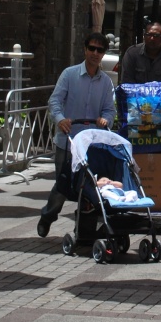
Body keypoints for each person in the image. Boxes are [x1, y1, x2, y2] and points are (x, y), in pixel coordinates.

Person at [37, 33, 116, 238]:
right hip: (68, 141)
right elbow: (55, 101)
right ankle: (48, 216)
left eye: (100, 50)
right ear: (85, 49)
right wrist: (61, 119)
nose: (95, 53)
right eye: (92, 48)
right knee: (63, 185)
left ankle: (83, 228)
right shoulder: (69, 75)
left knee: (88, 186)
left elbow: (109, 110)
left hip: (91, 145)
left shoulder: (106, 83)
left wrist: (105, 120)